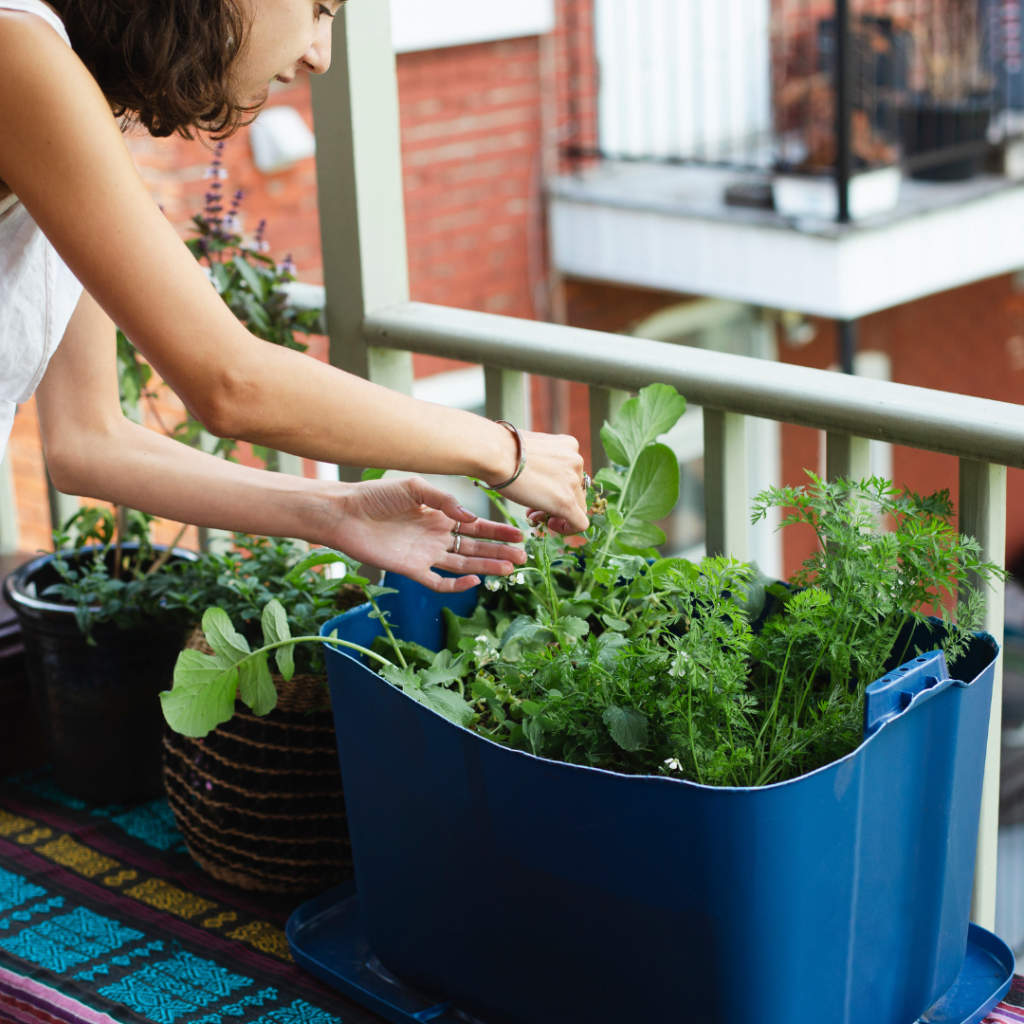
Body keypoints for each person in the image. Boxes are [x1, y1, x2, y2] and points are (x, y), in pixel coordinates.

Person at [0, 0, 590, 592]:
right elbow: (230, 381)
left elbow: (89, 441)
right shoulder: (16, 49)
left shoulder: (61, 82)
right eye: (318, 9)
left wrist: (337, 510)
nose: (321, 55)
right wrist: (502, 450)